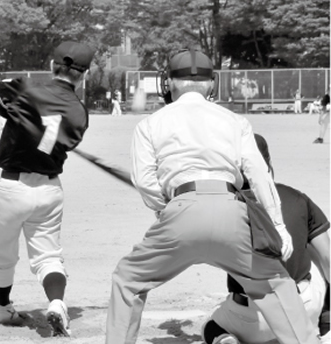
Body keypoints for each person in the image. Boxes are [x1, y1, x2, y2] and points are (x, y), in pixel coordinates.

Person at [105, 48, 320, 344]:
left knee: (127, 281)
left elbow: (144, 182)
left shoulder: (150, 123)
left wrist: (166, 208)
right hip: (232, 212)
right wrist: (279, 226)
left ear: (168, 82)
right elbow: (258, 175)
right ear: (211, 83)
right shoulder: (233, 120)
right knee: (276, 286)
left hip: (180, 209)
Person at [0, 41, 94, 337]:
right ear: (84, 74)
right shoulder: (79, 114)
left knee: (1, 255)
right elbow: (50, 143)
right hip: (49, 191)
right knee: (48, 257)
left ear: (52, 65)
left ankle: (4, 309)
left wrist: (24, 116)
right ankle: (57, 303)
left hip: (9, 187)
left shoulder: (26, 88)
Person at [202, 133, 330, 344]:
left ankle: (225, 339)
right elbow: (328, 259)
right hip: (302, 308)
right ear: (268, 166)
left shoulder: (223, 205)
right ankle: (325, 329)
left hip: (252, 319)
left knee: (210, 327)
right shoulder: (297, 197)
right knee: (318, 257)